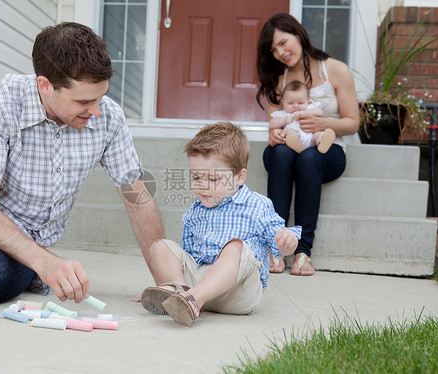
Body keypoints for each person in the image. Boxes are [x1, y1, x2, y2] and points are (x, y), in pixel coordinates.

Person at [0, 22, 164, 304]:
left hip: (23, 233)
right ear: (45, 86)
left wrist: (166, 282)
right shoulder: (0, 104)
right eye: (84, 101)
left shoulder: (110, 118)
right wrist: (45, 263)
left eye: (101, 97)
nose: (97, 111)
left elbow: (138, 198)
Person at [140, 122, 301, 326]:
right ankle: (177, 293)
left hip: (238, 292)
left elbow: (280, 242)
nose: (203, 186)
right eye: (196, 177)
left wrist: (288, 242)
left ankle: (193, 299)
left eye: (214, 179)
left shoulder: (256, 205)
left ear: (239, 177)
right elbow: (190, 257)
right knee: (160, 246)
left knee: (236, 247)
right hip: (201, 285)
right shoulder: (195, 211)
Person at [256, 13, 359, 275]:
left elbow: (352, 123)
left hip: (328, 150)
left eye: (283, 42)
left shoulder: (335, 69)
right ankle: (275, 249)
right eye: (273, 49)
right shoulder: (278, 79)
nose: (280, 52)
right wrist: (275, 135)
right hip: (288, 152)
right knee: (280, 153)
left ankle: (303, 252)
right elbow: (275, 123)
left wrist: (323, 124)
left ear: (298, 34)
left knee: (309, 158)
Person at [270, 80, 335, 154]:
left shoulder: (309, 108)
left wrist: (305, 113)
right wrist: (284, 121)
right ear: (283, 103)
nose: (295, 106)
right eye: (290, 103)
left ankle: (321, 142)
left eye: (300, 103)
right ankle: (293, 142)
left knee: (318, 134)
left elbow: (319, 112)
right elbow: (272, 124)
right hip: (295, 135)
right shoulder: (283, 114)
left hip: (311, 137)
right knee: (289, 132)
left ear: (308, 102)